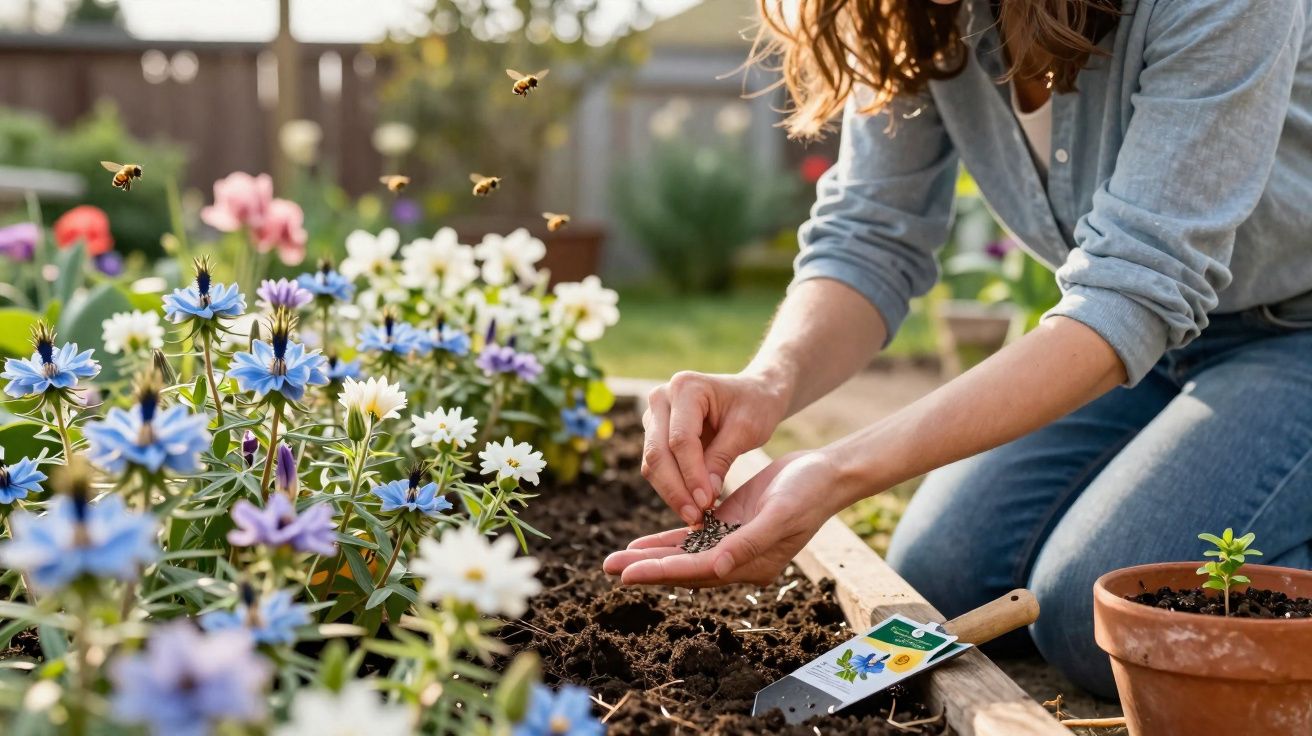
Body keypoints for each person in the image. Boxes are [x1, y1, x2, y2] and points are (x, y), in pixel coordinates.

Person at [603, 0, 1312, 697]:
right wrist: (767, 382)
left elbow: (1139, 286)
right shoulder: (913, 14)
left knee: (1096, 619)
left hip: (1295, 336)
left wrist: (838, 469)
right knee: (938, 573)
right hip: (1148, 349)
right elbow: (871, 236)